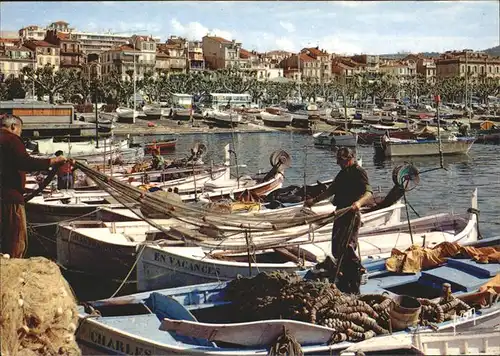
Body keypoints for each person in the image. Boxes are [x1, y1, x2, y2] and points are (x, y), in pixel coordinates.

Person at [304, 147, 373, 294]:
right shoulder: (342, 174)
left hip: (351, 214)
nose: (339, 164)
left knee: (348, 247)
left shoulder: (359, 172)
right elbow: (331, 190)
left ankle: (355, 281)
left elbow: (369, 192)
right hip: (340, 213)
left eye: (341, 161)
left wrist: (359, 203)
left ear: (349, 159)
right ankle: (342, 278)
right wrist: (314, 201)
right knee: (337, 248)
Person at [1, 115, 67, 258]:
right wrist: (53, 161)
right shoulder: (11, 139)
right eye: (20, 131)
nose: (20, 134)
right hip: (10, 198)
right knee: (16, 240)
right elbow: (25, 162)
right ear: (13, 126)